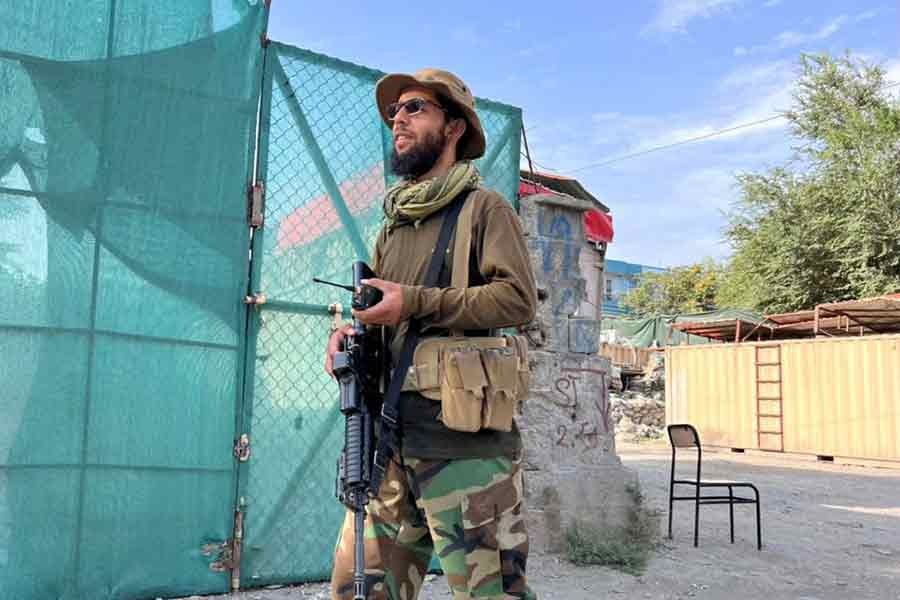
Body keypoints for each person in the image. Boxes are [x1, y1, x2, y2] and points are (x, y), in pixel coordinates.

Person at [324, 68, 538, 600]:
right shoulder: (393, 225)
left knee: (491, 595)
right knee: (358, 590)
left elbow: (518, 300)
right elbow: (379, 314)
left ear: (453, 128)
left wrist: (413, 301)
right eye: (395, 111)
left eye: (415, 107)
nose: (398, 118)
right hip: (390, 441)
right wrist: (349, 344)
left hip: (464, 449)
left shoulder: (483, 209)